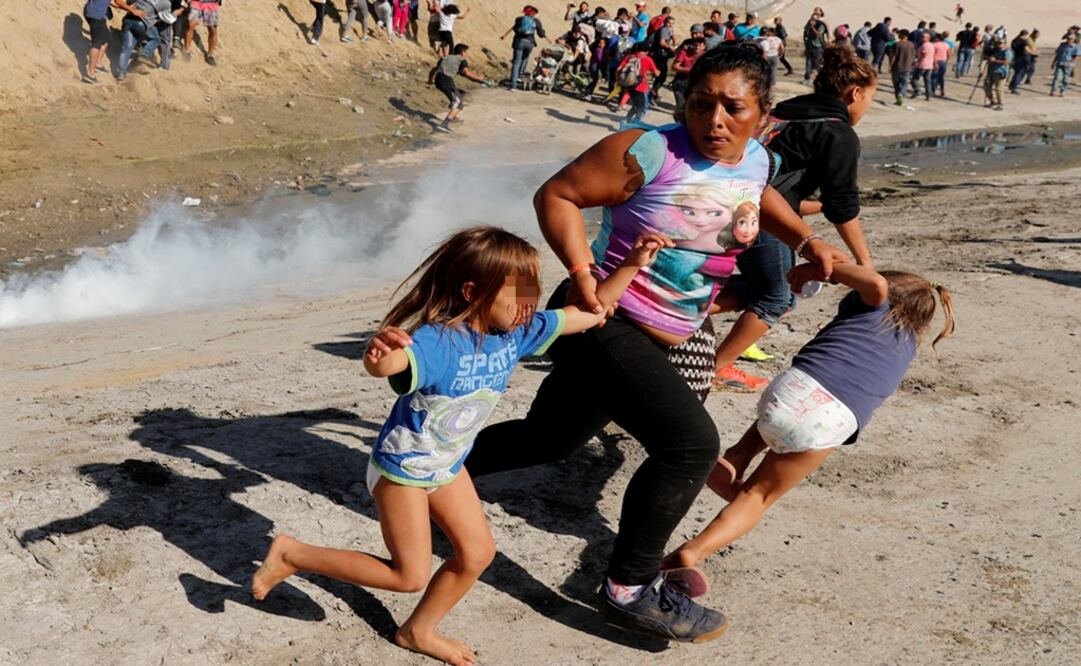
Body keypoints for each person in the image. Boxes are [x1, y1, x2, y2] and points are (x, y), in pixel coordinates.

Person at [463, 44, 849, 643]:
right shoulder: (648, 150)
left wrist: (805, 240)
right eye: (700, 104)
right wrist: (585, 270)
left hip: (671, 329)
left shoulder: (756, 161)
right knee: (691, 446)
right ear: (683, 102)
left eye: (732, 108)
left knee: (551, 438)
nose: (714, 121)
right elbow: (557, 195)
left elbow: (757, 198)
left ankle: (432, 470)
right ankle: (629, 589)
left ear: (762, 112)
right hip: (604, 317)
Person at [250, 226, 667, 666]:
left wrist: (631, 266)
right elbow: (393, 363)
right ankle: (293, 554)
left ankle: (418, 630)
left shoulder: (516, 333)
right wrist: (378, 355)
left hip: (448, 467)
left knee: (476, 554)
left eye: (533, 294)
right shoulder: (438, 340)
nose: (530, 307)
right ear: (472, 292)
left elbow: (589, 313)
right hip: (403, 472)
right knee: (408, 575)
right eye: (519, 296)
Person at [665, 268, 955, 576]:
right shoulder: (908, 346)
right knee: (757, 495)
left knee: (790, 412)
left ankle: (737, 457)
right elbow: (877, 286)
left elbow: (875, 283)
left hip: (790, 390)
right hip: (833, 418)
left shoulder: (873, 304)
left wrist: (822, 267)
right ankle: (693, 552)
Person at [711, 46, 878, 391]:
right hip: (760, 214)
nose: (866, 108)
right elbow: (841, 206)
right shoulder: (838, 132)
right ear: (855, 93)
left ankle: (675, 304)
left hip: (723, 196)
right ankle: (713, 367)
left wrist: (816, 208)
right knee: (777, 297)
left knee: (764, 288)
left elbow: (785, 187)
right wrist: (865, 262)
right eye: (870, 99)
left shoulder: (787, 112)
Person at [428, 43, 487, 132]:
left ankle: (453, 115)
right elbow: (466, 73)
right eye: (466, 52)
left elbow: (433, 70)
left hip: (438, 80)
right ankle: (444, 124)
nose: (467, 54)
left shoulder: (446, 58)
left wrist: (430, 80)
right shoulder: (462, 60)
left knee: (461, 94)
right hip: (446, 80)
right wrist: (479, 78)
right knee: (459, 104)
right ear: (462, 52)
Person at [115, 0, 166, 80]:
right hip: (141, 22)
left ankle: (121, 72)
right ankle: (144, 55)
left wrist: (131, 9)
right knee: (156, 39)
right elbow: (164, 17)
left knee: (127, 48)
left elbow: (125, 3)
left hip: (127, 20)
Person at [502, 5, 546, 92]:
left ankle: (513, 86)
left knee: (516, 63)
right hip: (530, 43)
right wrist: (543, 32)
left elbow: (515, 29)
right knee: (525, 59)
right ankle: (520, 75)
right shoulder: (536, 21)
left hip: (519, 42)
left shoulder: (519, 19)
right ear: (534, 13)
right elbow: (541, 34)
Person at [615, 42, 659, 124]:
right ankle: (635, 123)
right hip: (641, 87)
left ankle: (626, 120)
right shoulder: (647, 59)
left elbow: (618, 69)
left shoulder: (629, 57)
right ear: (647, 51)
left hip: (629, 86)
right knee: (643, 107)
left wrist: (618, 81)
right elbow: (656, 73)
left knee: (636, 105)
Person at [670, 36, 705, 110]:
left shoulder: (705, 56)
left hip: (696, 84)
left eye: (700, 46)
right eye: (696, 45)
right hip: (681, 82)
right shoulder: (684, 53)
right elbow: (674, 67)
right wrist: (690, 71)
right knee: (680, 106)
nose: (697, 48)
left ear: (704, 47)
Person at [82, 0, 112, 84]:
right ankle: (90, 74)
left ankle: (98, 64)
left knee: (106, 38)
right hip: (97, 15)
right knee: (96, 43)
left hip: (92, 12)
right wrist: (132, 10)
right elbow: (119, 2)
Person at [647, 15, 676, 101]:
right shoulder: (664, 30)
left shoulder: (666, 29)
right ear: (665, 22)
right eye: (669, 23)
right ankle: (652, 93)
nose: (670, 25)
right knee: (662, 76)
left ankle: (654, 93)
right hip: (659, 55)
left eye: (672, 23)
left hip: (657, 54)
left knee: (660, 75)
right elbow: (662, 43)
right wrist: (670, 48)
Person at [184, 0, 220, 65]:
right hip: (196, 2)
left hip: (211, 3)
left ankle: (210, 55)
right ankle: (187, 51)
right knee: (191, 25)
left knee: (213, 30)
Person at [889, 29, 915, 105]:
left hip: (897, 67)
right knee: (904, 83)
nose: (898, 35)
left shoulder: (897, 44)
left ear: (903, 35)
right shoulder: (911, 44)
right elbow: (913, 56)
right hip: (907, 67)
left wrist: (890, 65)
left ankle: (898, 97)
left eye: (899, 34)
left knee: (896, 83)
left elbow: (893, 56)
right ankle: (901, 94)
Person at [984, 37, 1011, 110]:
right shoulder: (995, 50)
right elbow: (989, 56)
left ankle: (1001, 104)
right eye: (997, 43)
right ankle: (992, 101)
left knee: (999, 89)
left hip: (1000, 72)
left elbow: (1006, 61)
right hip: (991, 72)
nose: (998, 45)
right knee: (986, 87)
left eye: (1000, 43)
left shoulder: (1007, 52)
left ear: (1004, 44)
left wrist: (995, 61)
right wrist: (988, 58)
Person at [803, 8, 829, 84]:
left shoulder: (822, 23)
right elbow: (805, 32)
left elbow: (817, 34)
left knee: (816, 63)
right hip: (809, 45)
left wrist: (812, 26)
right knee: (808, 62)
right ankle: (807, 78)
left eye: (817, 10)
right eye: (815, 10)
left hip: (818, 46)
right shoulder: (810, 22)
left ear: (821, 12)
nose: (815, 11)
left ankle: (816, 79)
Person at [911, 31, 933, 100]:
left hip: (922, 65)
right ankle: (928, 95)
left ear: (928, 38)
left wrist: (917, 61)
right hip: (929, 65)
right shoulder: (931, 45)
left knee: (914, 79)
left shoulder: (924, 45)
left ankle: (917, 90)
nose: (921, 38)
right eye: (921, 37)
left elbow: (924, 54)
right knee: (927, 80)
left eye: (923, 37)